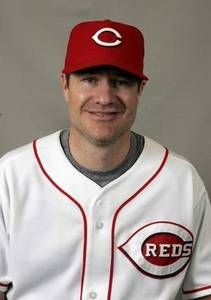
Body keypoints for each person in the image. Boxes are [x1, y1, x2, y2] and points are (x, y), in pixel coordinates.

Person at [0, 19, 211, 300]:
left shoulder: (181, 180)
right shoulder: (12, 176)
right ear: (65, 85)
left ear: (140, 89)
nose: (104, 97)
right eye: (89, 79)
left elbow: (203, 292)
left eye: (120, 81)